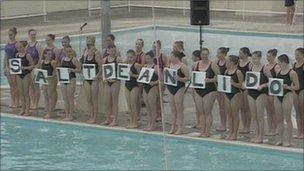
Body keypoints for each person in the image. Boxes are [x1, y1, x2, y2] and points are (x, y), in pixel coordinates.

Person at [193, 48, 219, 137]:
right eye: (203, 54)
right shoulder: (196, 64)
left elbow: (219, 77)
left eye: (206, 54)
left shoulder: (213, 65)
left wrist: (211, 80)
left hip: (210, 90)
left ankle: (207, 131)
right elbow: (194, 76)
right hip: (198, 90)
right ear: (200, 55)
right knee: (201, 111)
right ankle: (202, 130)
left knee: (207, 111)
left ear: (208, 55)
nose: (204, 56)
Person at [274, 54, 299, 147]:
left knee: (288, 119)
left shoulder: (292, 73)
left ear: (283, 62)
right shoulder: (278, 71)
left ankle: (288, 140)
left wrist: (288, 87)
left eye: (279, 62)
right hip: (278, 95)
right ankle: (280, 139)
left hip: (287, 95)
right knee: (279, 119)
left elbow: (297, 86)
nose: (278, 64)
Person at [246, 51, 271, 143]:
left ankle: (261, 136)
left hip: (261, 93)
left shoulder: (265, 68)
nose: (254, 60)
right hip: (251, 92)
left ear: (260, 58)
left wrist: (263, 85)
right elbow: (249, 79)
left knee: (260, 116)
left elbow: (272, 81)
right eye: (252, 59)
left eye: (255, 59)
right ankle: (256, 134)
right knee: (254, 116)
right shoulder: (251, 67)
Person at [167, 51, 190, 135]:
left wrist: (179, 78)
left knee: (179, 109)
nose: (170, 58)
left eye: (171, 56)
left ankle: (180, 127)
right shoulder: (169, 65)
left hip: (179, 88)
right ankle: (173, 126)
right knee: (173, 109)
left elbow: (188, 78)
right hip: (170, 87)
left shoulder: (183, 67)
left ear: (176, 57)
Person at [81, 36, 102, 124]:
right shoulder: (85, 53)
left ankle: (95, 117)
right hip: (87, 78)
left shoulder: (96, 53)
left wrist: (97, 76)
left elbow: (101, 67)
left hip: (94, 79)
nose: (88, 43)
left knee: (94, 99)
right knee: (89, 99)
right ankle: (91, 115)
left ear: (93, 42)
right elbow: (83, 65)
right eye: (87, 41)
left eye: (89, 41)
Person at [101, 45, 123, 126]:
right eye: (112, 51)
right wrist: (105, 80)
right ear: (108, 51)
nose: (113, 52)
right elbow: (103, 71)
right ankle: (107, 119)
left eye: (115, 51)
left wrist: (116, 79)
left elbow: (122, 71)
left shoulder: (118, 59)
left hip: (115, 82)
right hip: (107, 82)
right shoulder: (104, 60)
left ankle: (115, 120)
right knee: (107, 102)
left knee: (114, 101)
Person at [224, 55, 244, 140]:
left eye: (227, 61)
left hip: (235, 94)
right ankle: (230, 132)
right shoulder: (226, 71)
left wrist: (233, 84)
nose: (226, 63)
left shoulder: (238, 72)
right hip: (227, 93)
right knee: (229, 114)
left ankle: (235, 133)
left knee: (235, 114)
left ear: (231, 62)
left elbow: (242, 85)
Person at [60, 46, 81, 121]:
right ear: (65, 52)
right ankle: (67, 114)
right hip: (64, 79)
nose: (69, 53)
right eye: (68, 51)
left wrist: (72, 70)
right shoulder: (63, 59)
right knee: (65, 99)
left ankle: (71, 115)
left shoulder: (74, 59)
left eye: (70, 51)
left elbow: (79, 70)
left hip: (71, 79)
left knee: (70, 98)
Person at [16, 41, 35, 116]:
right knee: (21, 93)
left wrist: (24, 68)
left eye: (20, 47)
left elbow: (32, 66)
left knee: (26, 93)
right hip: (19, 75)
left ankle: (27, 110)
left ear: (24, 47)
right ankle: (22, 108)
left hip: (26, 75)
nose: (19, 49)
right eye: (17, 47)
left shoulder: (27, 55)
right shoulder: (17, 55)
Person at [142, 50, 160, 131]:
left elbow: (161, 80)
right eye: (146, 58)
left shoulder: (156, 67)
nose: (147, 60)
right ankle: (149, 123)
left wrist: (154, 83)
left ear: (153, 58)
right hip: (145, 87)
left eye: (148, 58)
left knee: (153, 107)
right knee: (148, 107)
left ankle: (153, 124)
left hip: (152, 88)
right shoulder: (145, 66)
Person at [265, 49, 280, 135]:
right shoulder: (266, 66)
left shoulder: (277, 67)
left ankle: (275, 128)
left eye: (269, 56)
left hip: (273, 90)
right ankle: (270, 128)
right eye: (267, 56)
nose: (267, 58)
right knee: (268, 111)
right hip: (266, 89)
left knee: (273, 110)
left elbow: (277, 79)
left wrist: (269, 75)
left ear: (274, 57)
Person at [42, 34, 59, 111]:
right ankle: (48, 107)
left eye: (48, 40)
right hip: (46, 74)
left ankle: (53, 106)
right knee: (47, 92)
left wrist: (55, 74)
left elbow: (57, 61)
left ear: (52, 40)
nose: (47, 41)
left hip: (52, 72)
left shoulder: (55, 50)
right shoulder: (44, 49)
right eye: (46, 40)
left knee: (53, 91)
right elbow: (42, 61)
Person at [38, 49, 57, 118]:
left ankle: (50, 112)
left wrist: (51, 77)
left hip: (50, 80)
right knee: (45, 97)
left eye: (51, 54)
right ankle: (47, 111)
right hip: (44, 81)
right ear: (44, 55)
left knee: (50, 97)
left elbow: (56, 72)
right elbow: (40, 71)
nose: (50, 55)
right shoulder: (41, 62)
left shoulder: (53, 62)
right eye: (48, 54)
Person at [3, 27, 19, 108]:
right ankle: (13, 100)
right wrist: (5, 66)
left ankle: (17, 101)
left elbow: (19, 55)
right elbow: (6, 56)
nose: (10, 36)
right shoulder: (7, 44)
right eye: (9, 35)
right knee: (11, 85)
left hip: (15, 66)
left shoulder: (17, 44)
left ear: (15, 34)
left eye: (11, 35)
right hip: (9, 66)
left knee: (15, 85)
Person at [125, 49, 141, 128]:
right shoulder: (126, 64)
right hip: (127, 85)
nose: (129, 59)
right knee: (129, 105)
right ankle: (131, 121)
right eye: (128, 57)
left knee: (133, 104)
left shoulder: (136, 65)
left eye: (131, 57)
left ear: (134, 57)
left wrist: (133, 75)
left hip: (134, 85)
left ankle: (135, 122)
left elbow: (141, 76)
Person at [152, 40, 168, 121]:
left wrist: (164, 81)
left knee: (159, 98)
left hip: (160, 79)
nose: (155, 48)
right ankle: (155, 114)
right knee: (153, 99)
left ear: (160, 47)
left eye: (156, 47)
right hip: (151, 80)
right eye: (153, 47)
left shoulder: (163, 56)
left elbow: (167, 68)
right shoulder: (151, 56)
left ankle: (160, 115)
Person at [238, 47, 252, 134]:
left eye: (241, 53)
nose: (239, 55)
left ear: (246, 54)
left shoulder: (250, 64)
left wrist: (246, 83)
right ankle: (244, 126)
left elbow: (251, 75)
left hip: (246, 87)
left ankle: (248, 126)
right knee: (241, 108)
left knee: (247, 108)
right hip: (239, 86)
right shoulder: (238, 63)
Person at [27, 29, 42, 110]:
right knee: (30, 87)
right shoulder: (27, 45)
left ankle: (36, 103)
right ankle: (32, 102)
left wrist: (37, 66)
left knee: (36, 86)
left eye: (34, 34)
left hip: (35, 68)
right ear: (29, 35)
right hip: (29, 68)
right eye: (31, 34)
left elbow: (40, 57)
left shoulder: (38, 45)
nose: (33, 36)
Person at [215, 47, 229, 132]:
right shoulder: (216, 62)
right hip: (219, 86)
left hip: (226, 86)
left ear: (224, 54)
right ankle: (222, 124)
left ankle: (226, 124)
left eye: (219, 53)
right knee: (221, 107)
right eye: (217, 53)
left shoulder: (228, 62)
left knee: (226, 106)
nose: (217, 55)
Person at [293, 48, 304, 139]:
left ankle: (303, 132)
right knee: (297, 112)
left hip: (302, 90)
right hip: (295, 90)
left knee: (302, 112)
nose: (296, 56)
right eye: (295, 54)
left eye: (298, 55)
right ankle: (299, 131)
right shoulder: (294, 64)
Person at [191, 50, 202, 128]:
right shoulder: (195, 64)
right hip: (195, 85)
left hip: (198, 86)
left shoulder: (196, 64)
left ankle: (200, 122)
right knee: (197, 105)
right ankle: (198, 121)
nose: (191, 57)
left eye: (193, 56)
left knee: (199, 106)